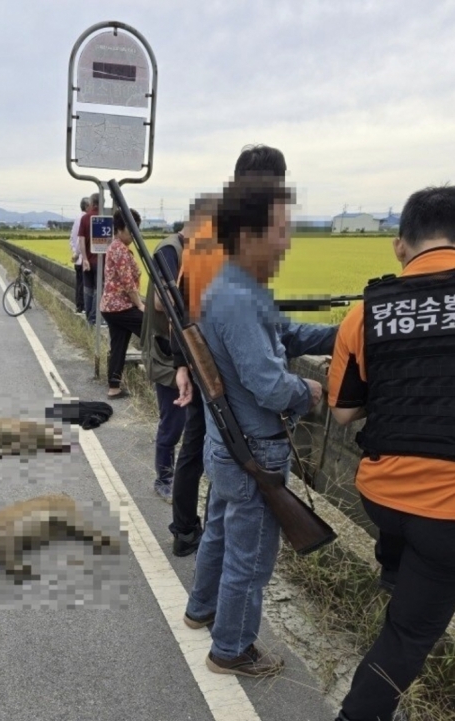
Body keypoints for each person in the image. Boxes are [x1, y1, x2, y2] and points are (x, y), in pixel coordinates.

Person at [183, 173, 337, 677]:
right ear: (248, 234)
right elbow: (270, 385)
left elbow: (286, 334)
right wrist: (307, 391)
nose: (288, 239)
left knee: (221, 535)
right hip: (255, 451)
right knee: (249, 562)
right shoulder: (237, 297)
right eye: (280, 228)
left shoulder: (231, 286)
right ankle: (232, 649)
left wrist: (341, 333)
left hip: (229, 446)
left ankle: (201, 609)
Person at [328, 185, 455, 721]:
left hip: (382, 494)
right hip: (444, 509)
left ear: (401, 246)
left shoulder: (366, 312)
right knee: (408, 636)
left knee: (410, 582)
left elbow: (342, 414)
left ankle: (395, 575)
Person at [169, 145, 288, 557]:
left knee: (205, 450)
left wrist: (182, 361)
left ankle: (188, 532)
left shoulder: (202, 231)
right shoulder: (240, 234)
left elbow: (180, 302)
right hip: (229, 365)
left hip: (204, 357)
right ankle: (194, 536)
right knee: (228, 462)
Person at [141, 225, 186, 503]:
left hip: (185, 352)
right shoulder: (169, 251)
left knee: (188, 423)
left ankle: (178, 477)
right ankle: (164, 479)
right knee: (173, 421)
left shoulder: (190, 252)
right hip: (167, 353)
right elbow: (161, 302)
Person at [100, 209, 144, 399]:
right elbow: (128, 284)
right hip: (121, 307)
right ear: (119, 229)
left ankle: (114, 387)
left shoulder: (116, 247)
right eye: (130, 230)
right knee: (154, 331)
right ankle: (171, 372)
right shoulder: (119, 249)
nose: (134, 234)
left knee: (119, 344)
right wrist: (140, 305)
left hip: (111, 308)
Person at [78, 193, 101, 325]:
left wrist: (85, 259)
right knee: (98, 290)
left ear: (92, 203)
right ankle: (93, 319)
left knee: (87, 289)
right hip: (101, 262)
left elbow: (81, 239)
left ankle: (89, 317)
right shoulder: (106, 218)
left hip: (87, 262)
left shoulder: (85, 218)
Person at [69, 197, 89, 314]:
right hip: (82, 258)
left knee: (80, 284)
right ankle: (82, 307)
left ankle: (80, 307)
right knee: (85, 285)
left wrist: (74, 253)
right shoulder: (85, 218)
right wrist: (77, 254)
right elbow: (79, 240)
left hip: (79, 259)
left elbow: (72, 238)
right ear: (87, 206)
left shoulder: (77, 218)